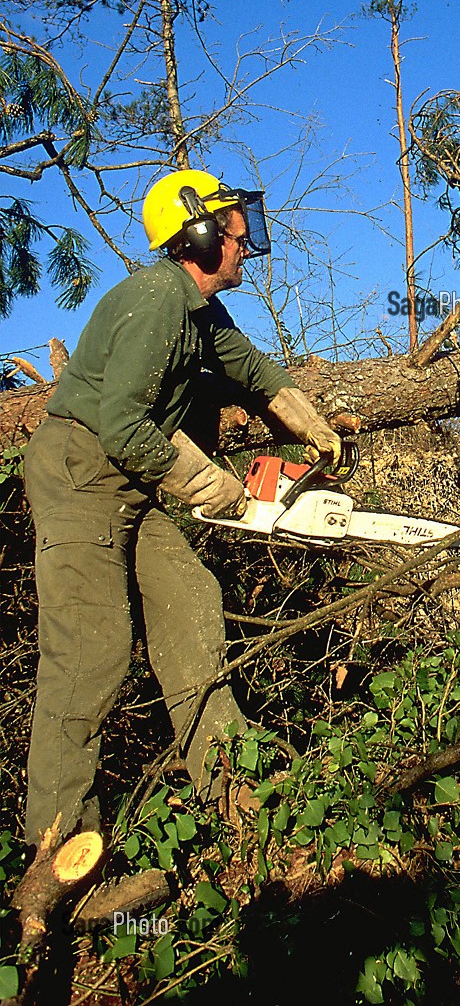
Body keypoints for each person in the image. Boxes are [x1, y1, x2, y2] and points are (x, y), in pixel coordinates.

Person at [22, 170, 341, 846]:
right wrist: (216, 488)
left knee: (190, 600)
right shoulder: (153, 302)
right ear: (196, 237)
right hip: (83, 476)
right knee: (91, 656)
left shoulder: (200, 313)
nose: (244, 246)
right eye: (233, 233)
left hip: (127, 483)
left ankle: (230, 789)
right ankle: (55, 848)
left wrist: (310, 422)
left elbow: (253, 371)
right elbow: (123, 427)